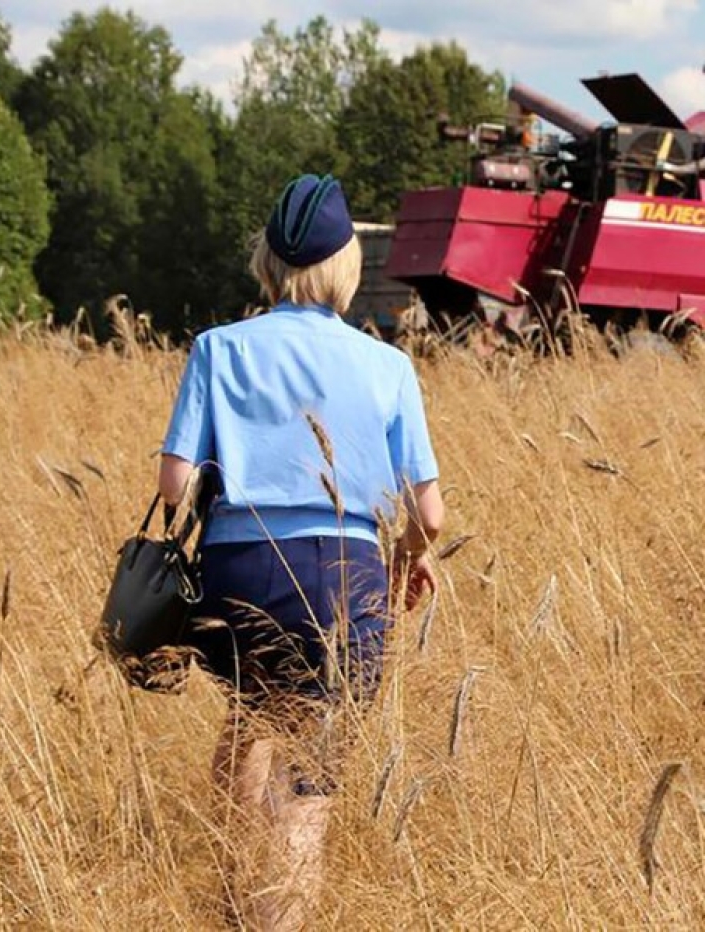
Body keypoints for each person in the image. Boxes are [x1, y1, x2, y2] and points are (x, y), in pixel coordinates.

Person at [158, 173, 445, 930]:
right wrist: (405, 558)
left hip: (238, 572)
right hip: (343, 580)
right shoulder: (389, 367)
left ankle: (229, 901)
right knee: (308, 786)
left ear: (270, 262)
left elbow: (174, 484)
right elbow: (430, 516)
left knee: (251, 714)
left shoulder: (218, 349)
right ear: (348, 267)